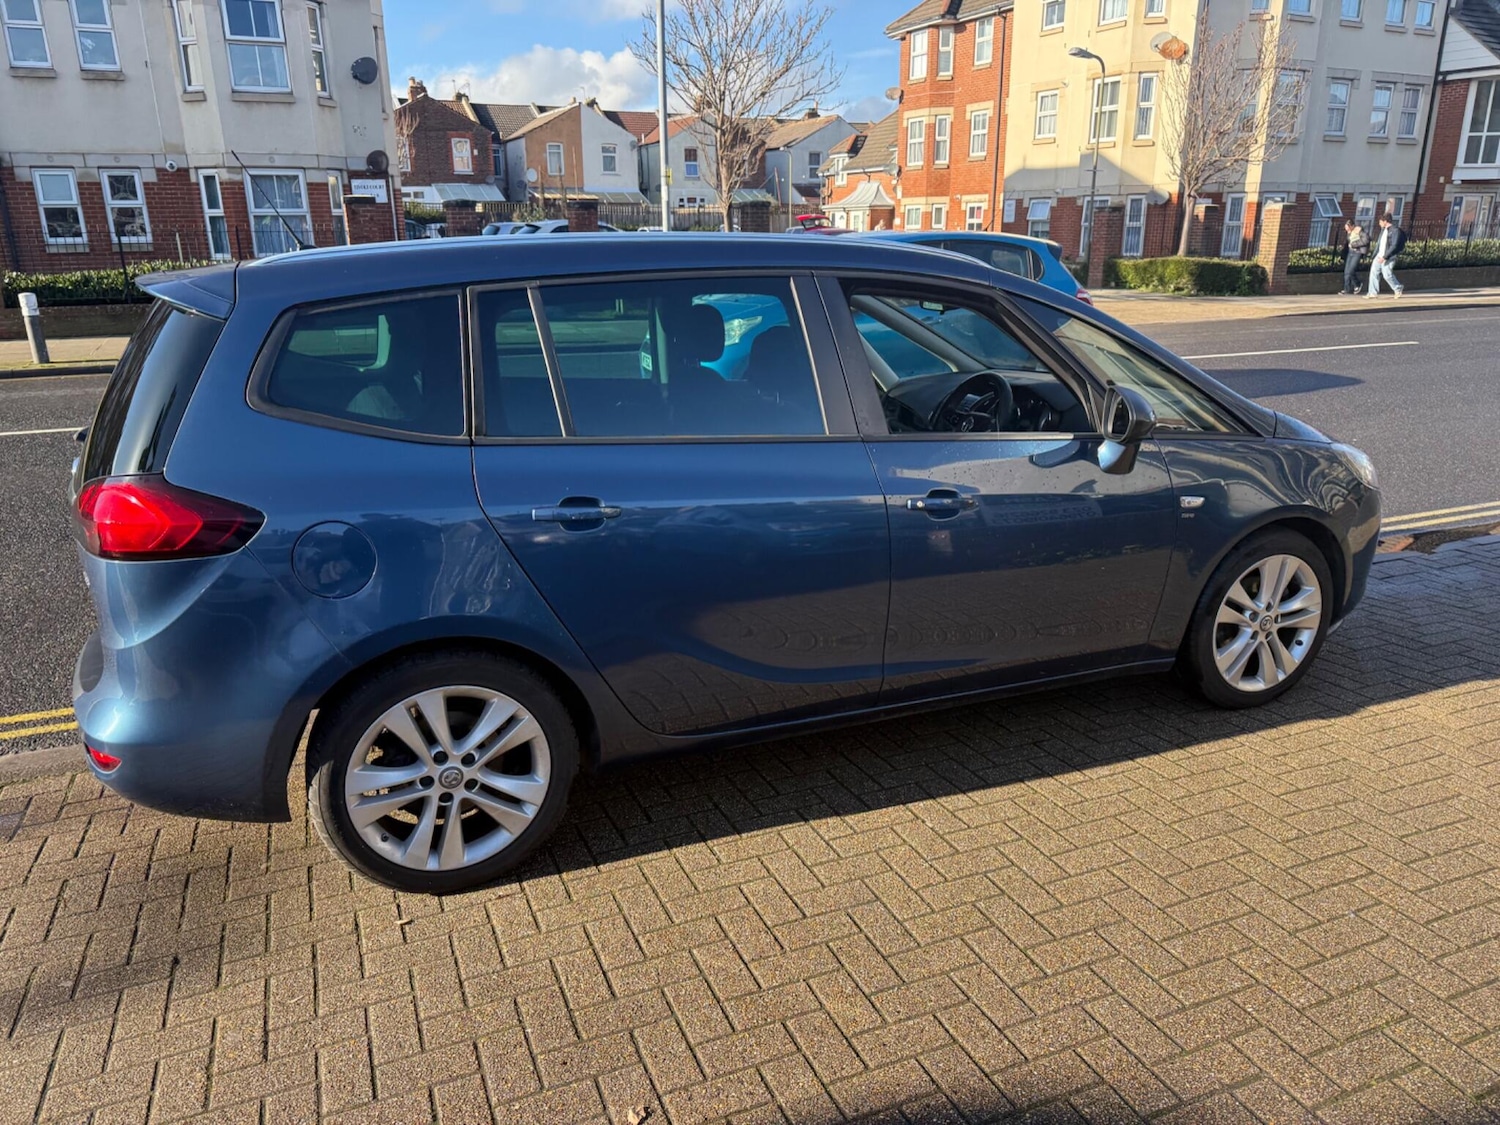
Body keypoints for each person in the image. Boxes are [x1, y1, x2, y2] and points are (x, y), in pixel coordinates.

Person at [1366, 213, 1407, 299]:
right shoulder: (1383, 230)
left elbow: (1394, 246)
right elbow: (1380, 243)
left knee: (1387, 275)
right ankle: (1373, 292)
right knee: (1374, 273)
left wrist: (1385, 257)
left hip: (1388, 256)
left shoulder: (1395, 231)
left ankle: (1398, 288)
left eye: (1380, 222)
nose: (1379, 223)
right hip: (1379, 255)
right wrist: (1375, 254)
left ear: (1385, 221)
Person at [1340, 218, 1369, 295]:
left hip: (1357, 252)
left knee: (1351, 270)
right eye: (1346, 228)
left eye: (1348, 228)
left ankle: (1357, 284)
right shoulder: (1349, 233)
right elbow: (1347, 243)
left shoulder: (1359, 231)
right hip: (1350, 252)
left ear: (1352, 226)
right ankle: (1347, 289)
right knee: (1346, 272)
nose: (1347, 230)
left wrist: (1354, 244)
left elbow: (1366, 240)